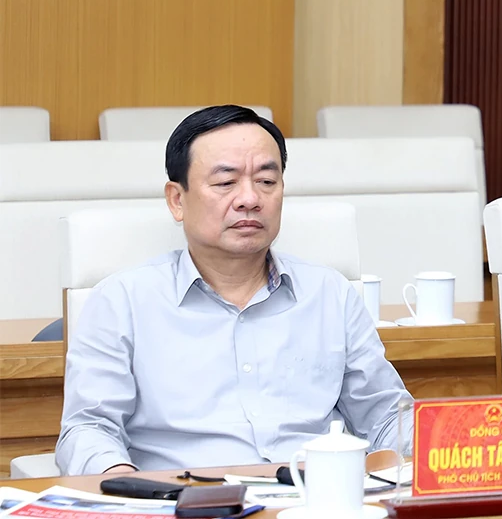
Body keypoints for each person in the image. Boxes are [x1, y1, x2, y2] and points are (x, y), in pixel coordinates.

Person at [56, 105, 411, 475]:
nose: (250, 199)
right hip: (184, 497)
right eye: (226, 183)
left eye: (266, 181)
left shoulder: (330, 293)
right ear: (177, 200)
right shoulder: (121, 301)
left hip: (315, 494)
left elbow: (387, 416)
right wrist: (122, 481)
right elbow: (89, 429)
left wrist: (437, 448)